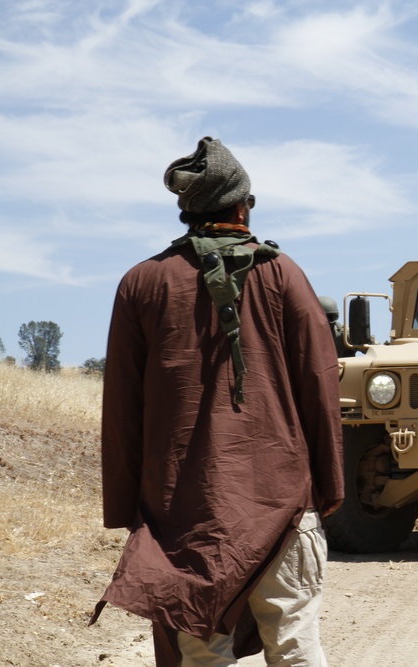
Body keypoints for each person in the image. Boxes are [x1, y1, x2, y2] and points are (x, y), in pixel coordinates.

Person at [92, 136, 345, 666]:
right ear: (241, 205)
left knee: (201, 651)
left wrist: (127, 506)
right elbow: (320, 385)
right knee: (295, 643)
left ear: (188, 211)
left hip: (185, 516)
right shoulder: (283, 274)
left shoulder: (142, 283)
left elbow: (121, 410)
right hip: (282, 505)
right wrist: (327, 489)